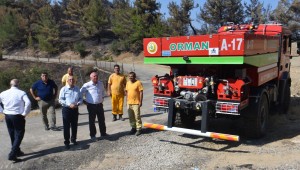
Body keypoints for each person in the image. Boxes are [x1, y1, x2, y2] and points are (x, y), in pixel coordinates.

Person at [0, 79, 31, 161]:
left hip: (7, 116)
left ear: (10, 84)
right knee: (19, 134)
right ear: (18, 84)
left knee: (12, 134)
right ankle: (12, 154)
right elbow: (28, 103)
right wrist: (24, 113)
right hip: (17, 116)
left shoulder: (3, 93)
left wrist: (2, 111)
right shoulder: (21, 93)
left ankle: (17, 151)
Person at [80, 71, 108, 141]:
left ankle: (103, 133)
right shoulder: (87, 85)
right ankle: (93, 135)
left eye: (96, 76)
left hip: (99, 105)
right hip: (91, 106)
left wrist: (102, 98)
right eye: (94, 76)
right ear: (91, 77)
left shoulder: (100, 84)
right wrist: (84, 101)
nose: (96, 77)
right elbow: (80, 93)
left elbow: (102, 91)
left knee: (102, 120)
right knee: (92, 121)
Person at [58, 76, 82, 149]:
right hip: (66, 109)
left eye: (72, 79)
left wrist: (78, 103)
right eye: (70, 80)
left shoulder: (77, 89)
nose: (71, 80)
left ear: (74, 81)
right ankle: (67, 142)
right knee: (66, 126)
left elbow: (81, 98)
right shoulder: (64, 89)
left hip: (75, 109)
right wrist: (69, 104)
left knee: (74, 125)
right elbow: (60, 100)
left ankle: (73, 139)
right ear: (67, 81)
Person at [125, 72, 143, 136]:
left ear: (135, 76)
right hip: (129, 103)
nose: (130, 77)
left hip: (136, 103)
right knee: (131, 117)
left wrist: (140, 101)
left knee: (137, 116)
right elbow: (126, 92)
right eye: (129, 76)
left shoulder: (138, 83)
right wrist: (126, 101)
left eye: (132, 76)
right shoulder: (127, 83)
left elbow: (141, 92)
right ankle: (133, 128)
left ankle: (139, 129)